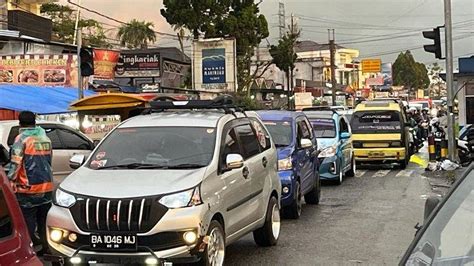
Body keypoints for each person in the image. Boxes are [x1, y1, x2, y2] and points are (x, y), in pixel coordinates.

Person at [8, 111, 53, 255]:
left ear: (20, 123)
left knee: (27, 223)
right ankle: (46, 248)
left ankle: (29, 251)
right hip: (46, 188)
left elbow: (15, 164)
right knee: (43, 221)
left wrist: (9, 179)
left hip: (27, 189)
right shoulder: (45, 138)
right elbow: (48, 162)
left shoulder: (21, 140)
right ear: (35, 122)